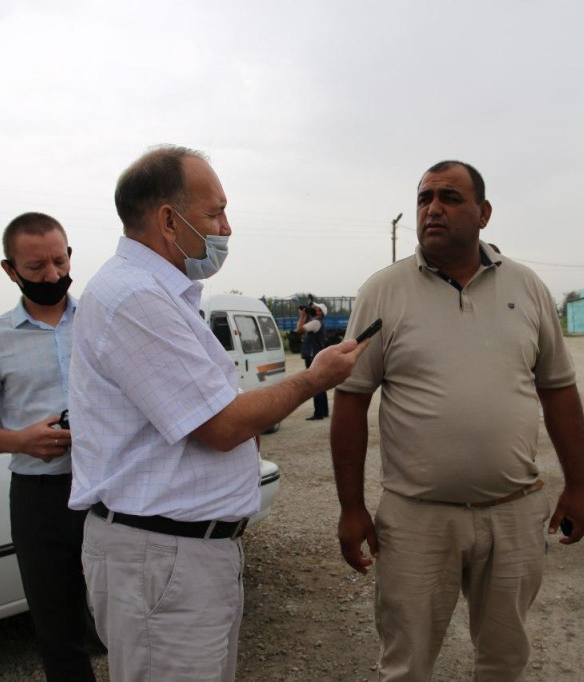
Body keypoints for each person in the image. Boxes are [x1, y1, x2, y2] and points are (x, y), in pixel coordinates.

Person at [68, 145, 369, 681]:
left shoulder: (161, 294)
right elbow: (222, 425)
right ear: (167, 219)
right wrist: (314, 378)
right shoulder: (135, 297)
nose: (226, 228)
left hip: (179, 554)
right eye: (214, 214)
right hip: (162, 557)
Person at [331, 160, 584, 681]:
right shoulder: (383, 291)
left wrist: (579, 486)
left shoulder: (529, 287)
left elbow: (558, 390)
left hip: (514, 512)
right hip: (416, 519)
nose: (432, 208)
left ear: (484, 212)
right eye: (425, 197)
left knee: (504, 659)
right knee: (406, 664)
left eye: (449, 197)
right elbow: (352, 401)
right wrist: (352, 506)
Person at [0, 212, 96, 682]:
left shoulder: (103, 320)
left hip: (110, 488)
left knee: (126, 612)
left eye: (59, 261)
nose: (52, 276)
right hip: (40, 499)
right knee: (58, 628)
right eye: (36, 268)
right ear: (9, 269)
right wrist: (20, 440)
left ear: (70, 255)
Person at [297, 300, 330, 420]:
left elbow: (299, 330)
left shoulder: (316, 322)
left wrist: (302, 316)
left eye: (317, 308)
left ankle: (318, 413)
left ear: (321, 313)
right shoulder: (316, 321)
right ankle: (324, 411)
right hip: (316, 355)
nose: (314, 309)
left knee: (314, 384)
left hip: (312, 356)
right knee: (320, 384)